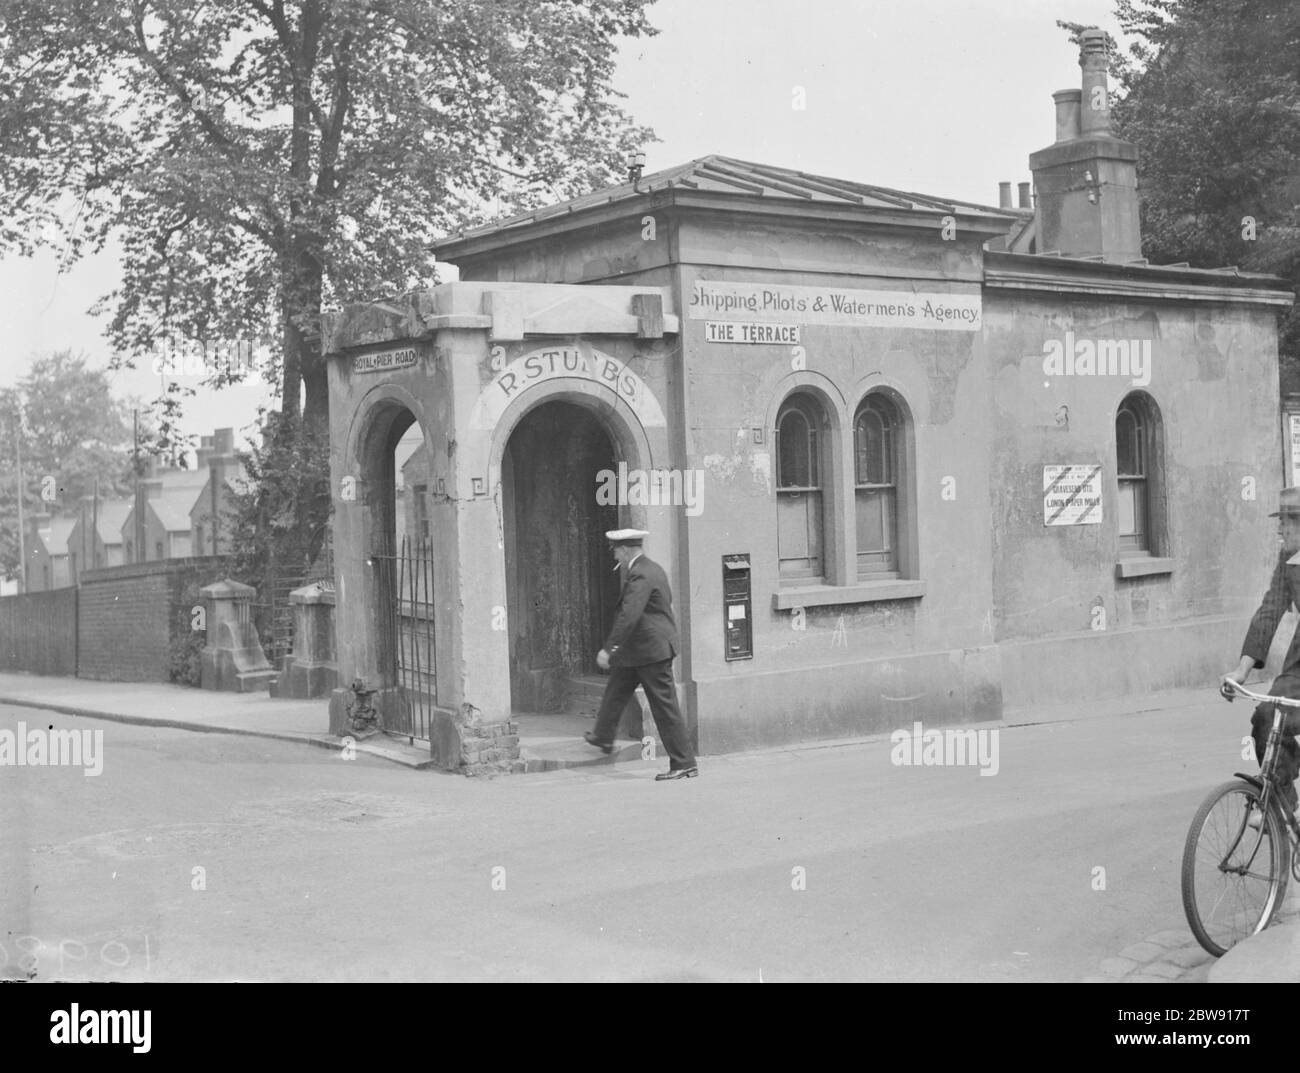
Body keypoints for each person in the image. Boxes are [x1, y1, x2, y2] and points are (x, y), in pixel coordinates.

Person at [583, 528, 699, 780]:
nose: (615, 557)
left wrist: (609, 648)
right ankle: (603, 736)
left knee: (665, 708)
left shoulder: (640, 575)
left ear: (625, 550)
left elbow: (629, 615)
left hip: (651, 652)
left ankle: (684, 763)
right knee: (616, 689)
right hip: (639, 650)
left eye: (616, 551)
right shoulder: (652, 568)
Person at [1221, 487, 1300, 815]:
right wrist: (1241, 670)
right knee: (1267, 718)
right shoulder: (1288, 562)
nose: (1280, 530)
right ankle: (1287, 806)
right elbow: (1270, 611)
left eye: (1287, 522)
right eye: (1280, 522)